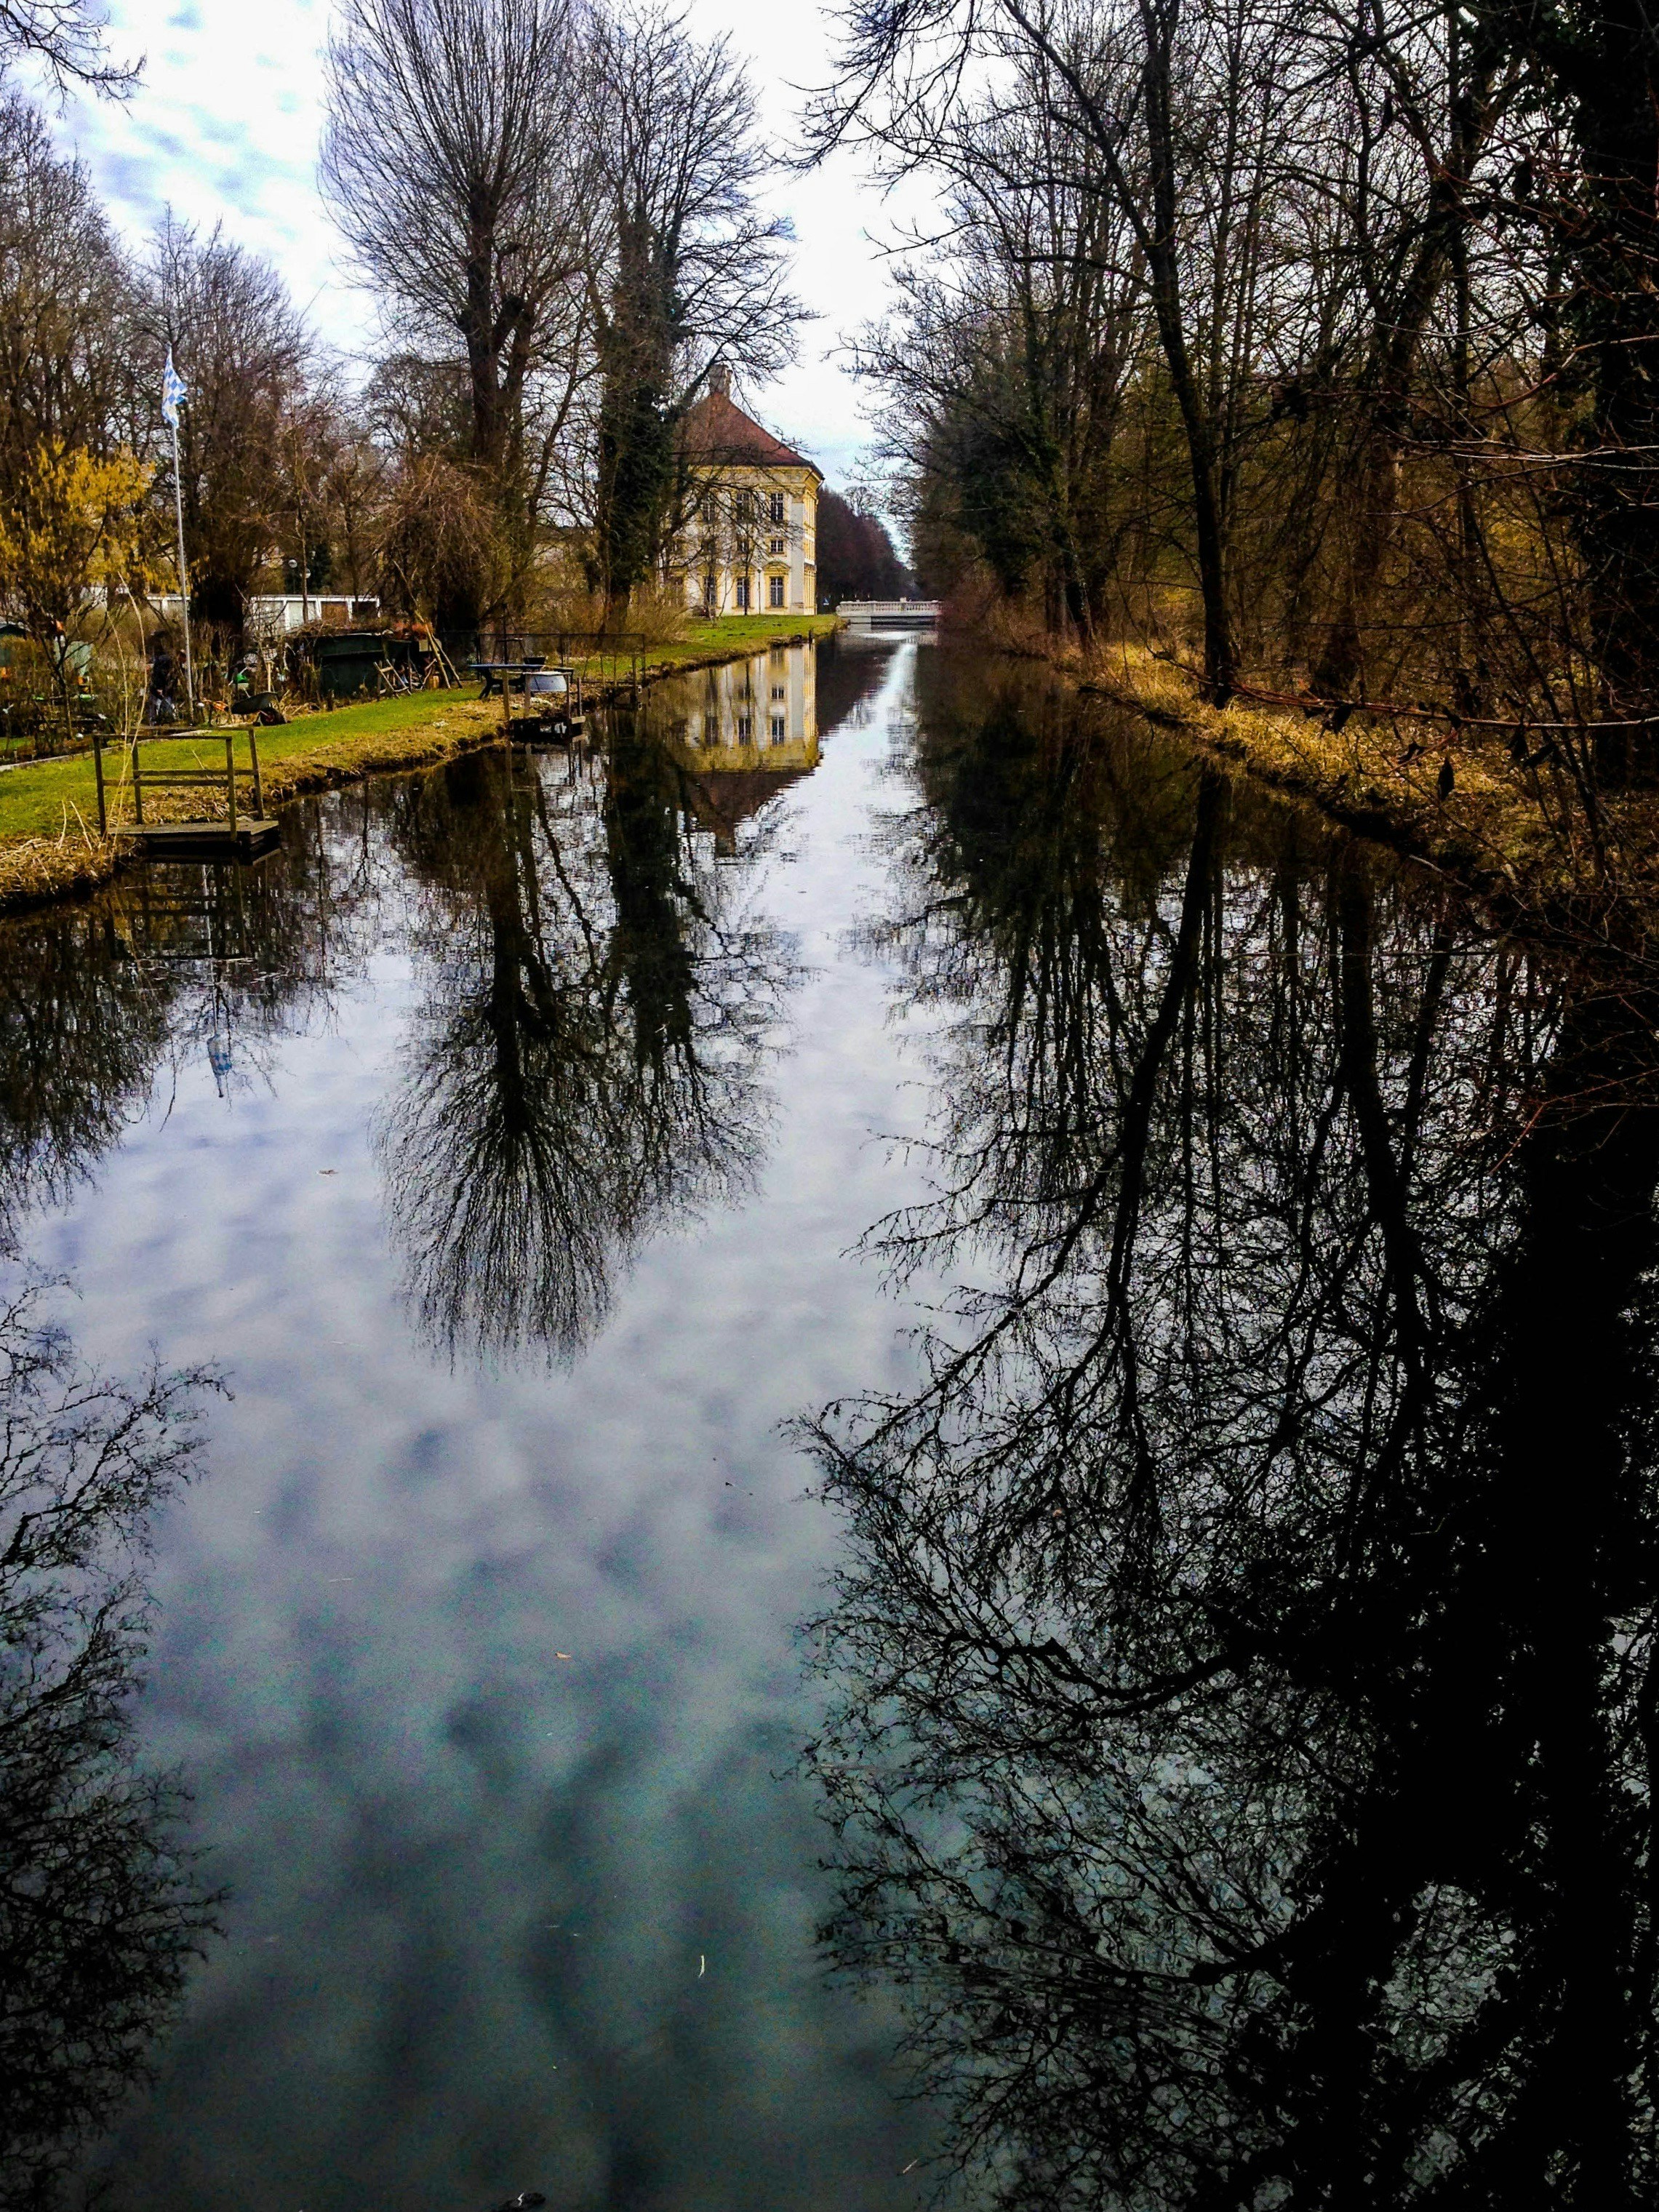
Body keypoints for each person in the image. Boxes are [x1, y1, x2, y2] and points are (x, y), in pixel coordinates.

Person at [147, 639, 178, 725]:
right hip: (161, 690)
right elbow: (159, 674)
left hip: (164, 690)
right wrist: (159, 687)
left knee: (160, 706)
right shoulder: (165, 662)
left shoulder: (163, 661)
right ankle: (157, 722)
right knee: (158, 706)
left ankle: (161, 721)